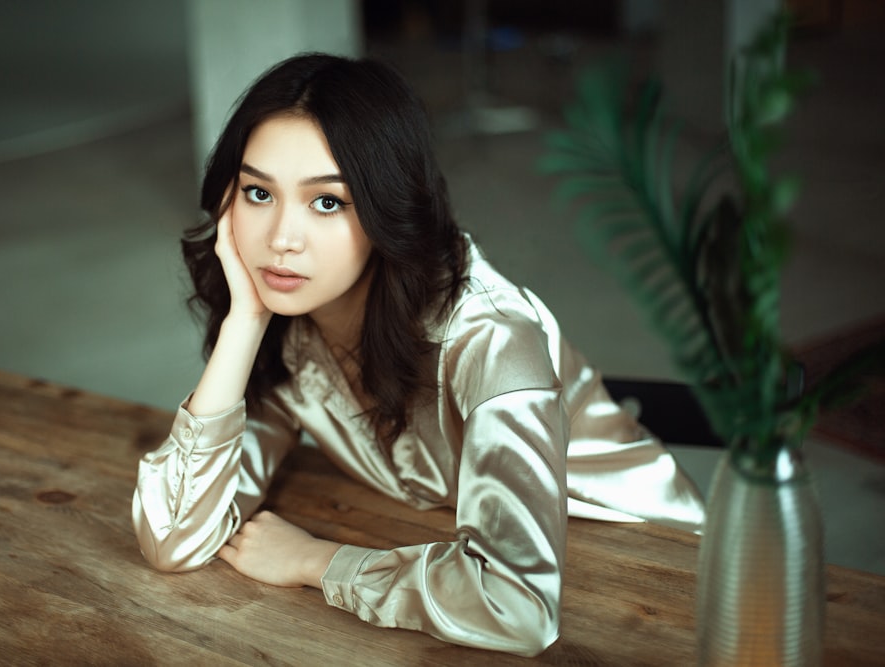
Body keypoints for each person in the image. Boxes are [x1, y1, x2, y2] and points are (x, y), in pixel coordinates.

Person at [132, 52, 704, 657]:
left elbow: (516, 605)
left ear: (386, 208)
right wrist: (245, 323)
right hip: (500, 567)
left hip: (666, 581)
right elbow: (174, 538)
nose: (280, 240)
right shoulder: (292, 321)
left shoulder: (491, 339)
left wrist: (317, 560)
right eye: (257, 192)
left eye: (328, 202)